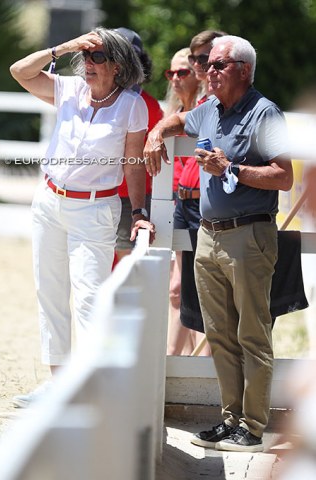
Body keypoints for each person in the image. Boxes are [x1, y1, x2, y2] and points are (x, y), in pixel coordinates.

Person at [143, 35, 293, 452]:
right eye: (207, 64)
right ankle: (230, 421)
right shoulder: (209, 109)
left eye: (218, 65)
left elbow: (284, 177)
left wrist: (232, 168)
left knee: (252, 335)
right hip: (209, 236)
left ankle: (254, 427)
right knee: (220, 333)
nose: (208, 71)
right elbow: (179, 121)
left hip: (250, 234)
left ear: (243, 70)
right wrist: (157, 132)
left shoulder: (265, 113)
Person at [9, 27, 155, 407]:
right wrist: (65, 47)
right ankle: (59, 386)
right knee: (50, 292)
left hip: (95, 209)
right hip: (49, 202)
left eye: (98, 57)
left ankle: (90, 389)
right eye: (85, 57)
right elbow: (19, 70)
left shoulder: (132, 105)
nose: (87, 63)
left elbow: (133, 162)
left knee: (90, 297)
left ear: (119, 66)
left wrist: (139, 212)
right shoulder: (69, 89)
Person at [177, 30, 227, 356]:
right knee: (181, 291)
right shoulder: (199, 100)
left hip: (205, 202)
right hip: (186, 198)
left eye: (204, 58)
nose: (198, 64)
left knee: (207, 291)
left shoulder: (217, 100)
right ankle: (182, 363)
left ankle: (201, 372)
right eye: (194, 58)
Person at [113, 27, 163, 263]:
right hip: (95, 195)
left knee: (124, 264)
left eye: (127, 57)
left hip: (128, 199)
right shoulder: (93, 97)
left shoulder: (149, 106)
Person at [163, 48, 201, 355]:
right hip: (181, 204)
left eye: (182, 72)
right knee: (178, 289)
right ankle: (174, 364)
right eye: (171, 73)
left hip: (203, 206)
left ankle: (192, 366)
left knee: (199, 291)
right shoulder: (173, 112)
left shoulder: (203, 110)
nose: (175, 78)